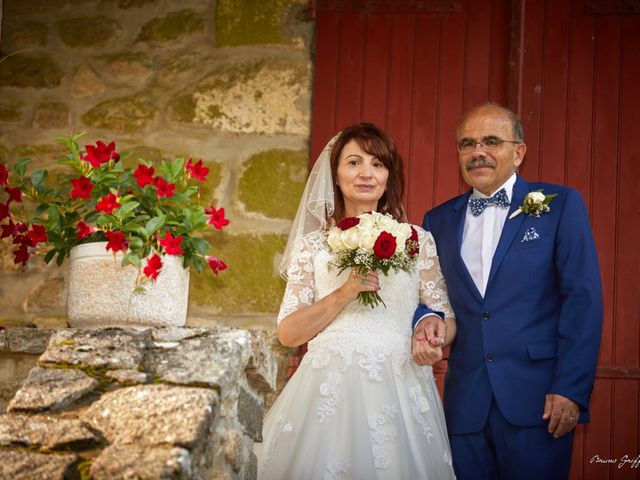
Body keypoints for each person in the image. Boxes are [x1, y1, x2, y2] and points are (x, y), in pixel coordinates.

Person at [412, 103, 603, 480]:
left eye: (491, 141)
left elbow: (583, 300)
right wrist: (427, 320)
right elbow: (429, 296)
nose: (477, 151)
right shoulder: (437, 221)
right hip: (465, 404)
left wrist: (571, 388)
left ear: (519, 152)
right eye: (467, 143)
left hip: (540, 402)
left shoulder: (560, 206)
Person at [256, 123, 457, 479]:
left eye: (377, 164)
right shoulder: (312, 247)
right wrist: (345, 292)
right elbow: (288, 334)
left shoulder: (417, 241)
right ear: (335, 174)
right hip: (327, 389)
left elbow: (446, 317)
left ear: (388, 176)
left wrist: (430, 329)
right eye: (354, 162)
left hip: (401, 385)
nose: (366, 173)